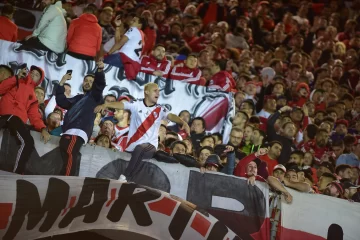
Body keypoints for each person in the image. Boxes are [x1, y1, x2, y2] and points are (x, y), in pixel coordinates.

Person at [94, 83, 191, 182]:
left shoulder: (160, 109)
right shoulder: (136, 104)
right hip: (132, 147)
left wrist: (182, 122)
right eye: (155, 90)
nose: (158, 93)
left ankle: (125, 177)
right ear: (146, 92)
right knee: (137, 150)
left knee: (141, 148)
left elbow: (171, 116)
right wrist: (106, 104)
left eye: (158, 91)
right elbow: (121, 105)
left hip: (149, 146)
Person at [55, 61, 106, 176]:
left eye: (91, 82)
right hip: (68, 130)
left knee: (70, 153)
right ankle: (63, 179)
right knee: (65, 153)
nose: (87, 83)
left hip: (78, 131)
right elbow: (61, 101)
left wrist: (100, 70)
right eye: (86, 81)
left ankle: (67, 181)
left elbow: (100, 85)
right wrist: (62, 82)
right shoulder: (77, 97)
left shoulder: (94, 97)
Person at [0, 65, 50, 174]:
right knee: (27, 141)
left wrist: (42, 128)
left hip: (16, 121)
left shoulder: (33, 97)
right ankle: (17, 174)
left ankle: (17, 174)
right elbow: (1, 89)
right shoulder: (16, 80)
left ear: (39, 81)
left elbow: (34, 116)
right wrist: (16, 78)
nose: (33, 75)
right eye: (32, 72)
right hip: (6, 116)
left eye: (37, 75)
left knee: (27, 142)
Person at [104, 16, 148, 80]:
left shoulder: (134, 29)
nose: (131, 22)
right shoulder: (141, 35)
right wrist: (118, 27)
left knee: (102, 66)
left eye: (134, 21)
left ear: (140, 25)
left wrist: (109, 53)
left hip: (123, 58)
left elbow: (119, 43)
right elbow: (118, 42)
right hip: (131, 63)